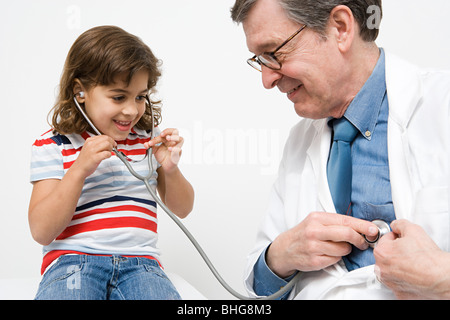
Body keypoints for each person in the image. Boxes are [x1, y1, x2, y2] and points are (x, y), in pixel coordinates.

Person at [231, 0, 450, 299]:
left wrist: (441, 277)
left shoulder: (441, 106)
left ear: (341, 28)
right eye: (259, 59)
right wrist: (281, 256)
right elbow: (260, 289)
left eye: (273, 53)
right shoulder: (299, 143)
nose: (267, 79)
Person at [28, 25, 194, 300]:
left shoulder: (149, 142)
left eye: (140, 96)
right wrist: (79, 170)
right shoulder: (53, 145)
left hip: (142, 265)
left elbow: (183, 208)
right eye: (118, 97)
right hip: (74, 263)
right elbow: (41, 230)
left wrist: (171, 169)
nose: (131, 110)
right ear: (80, 92)